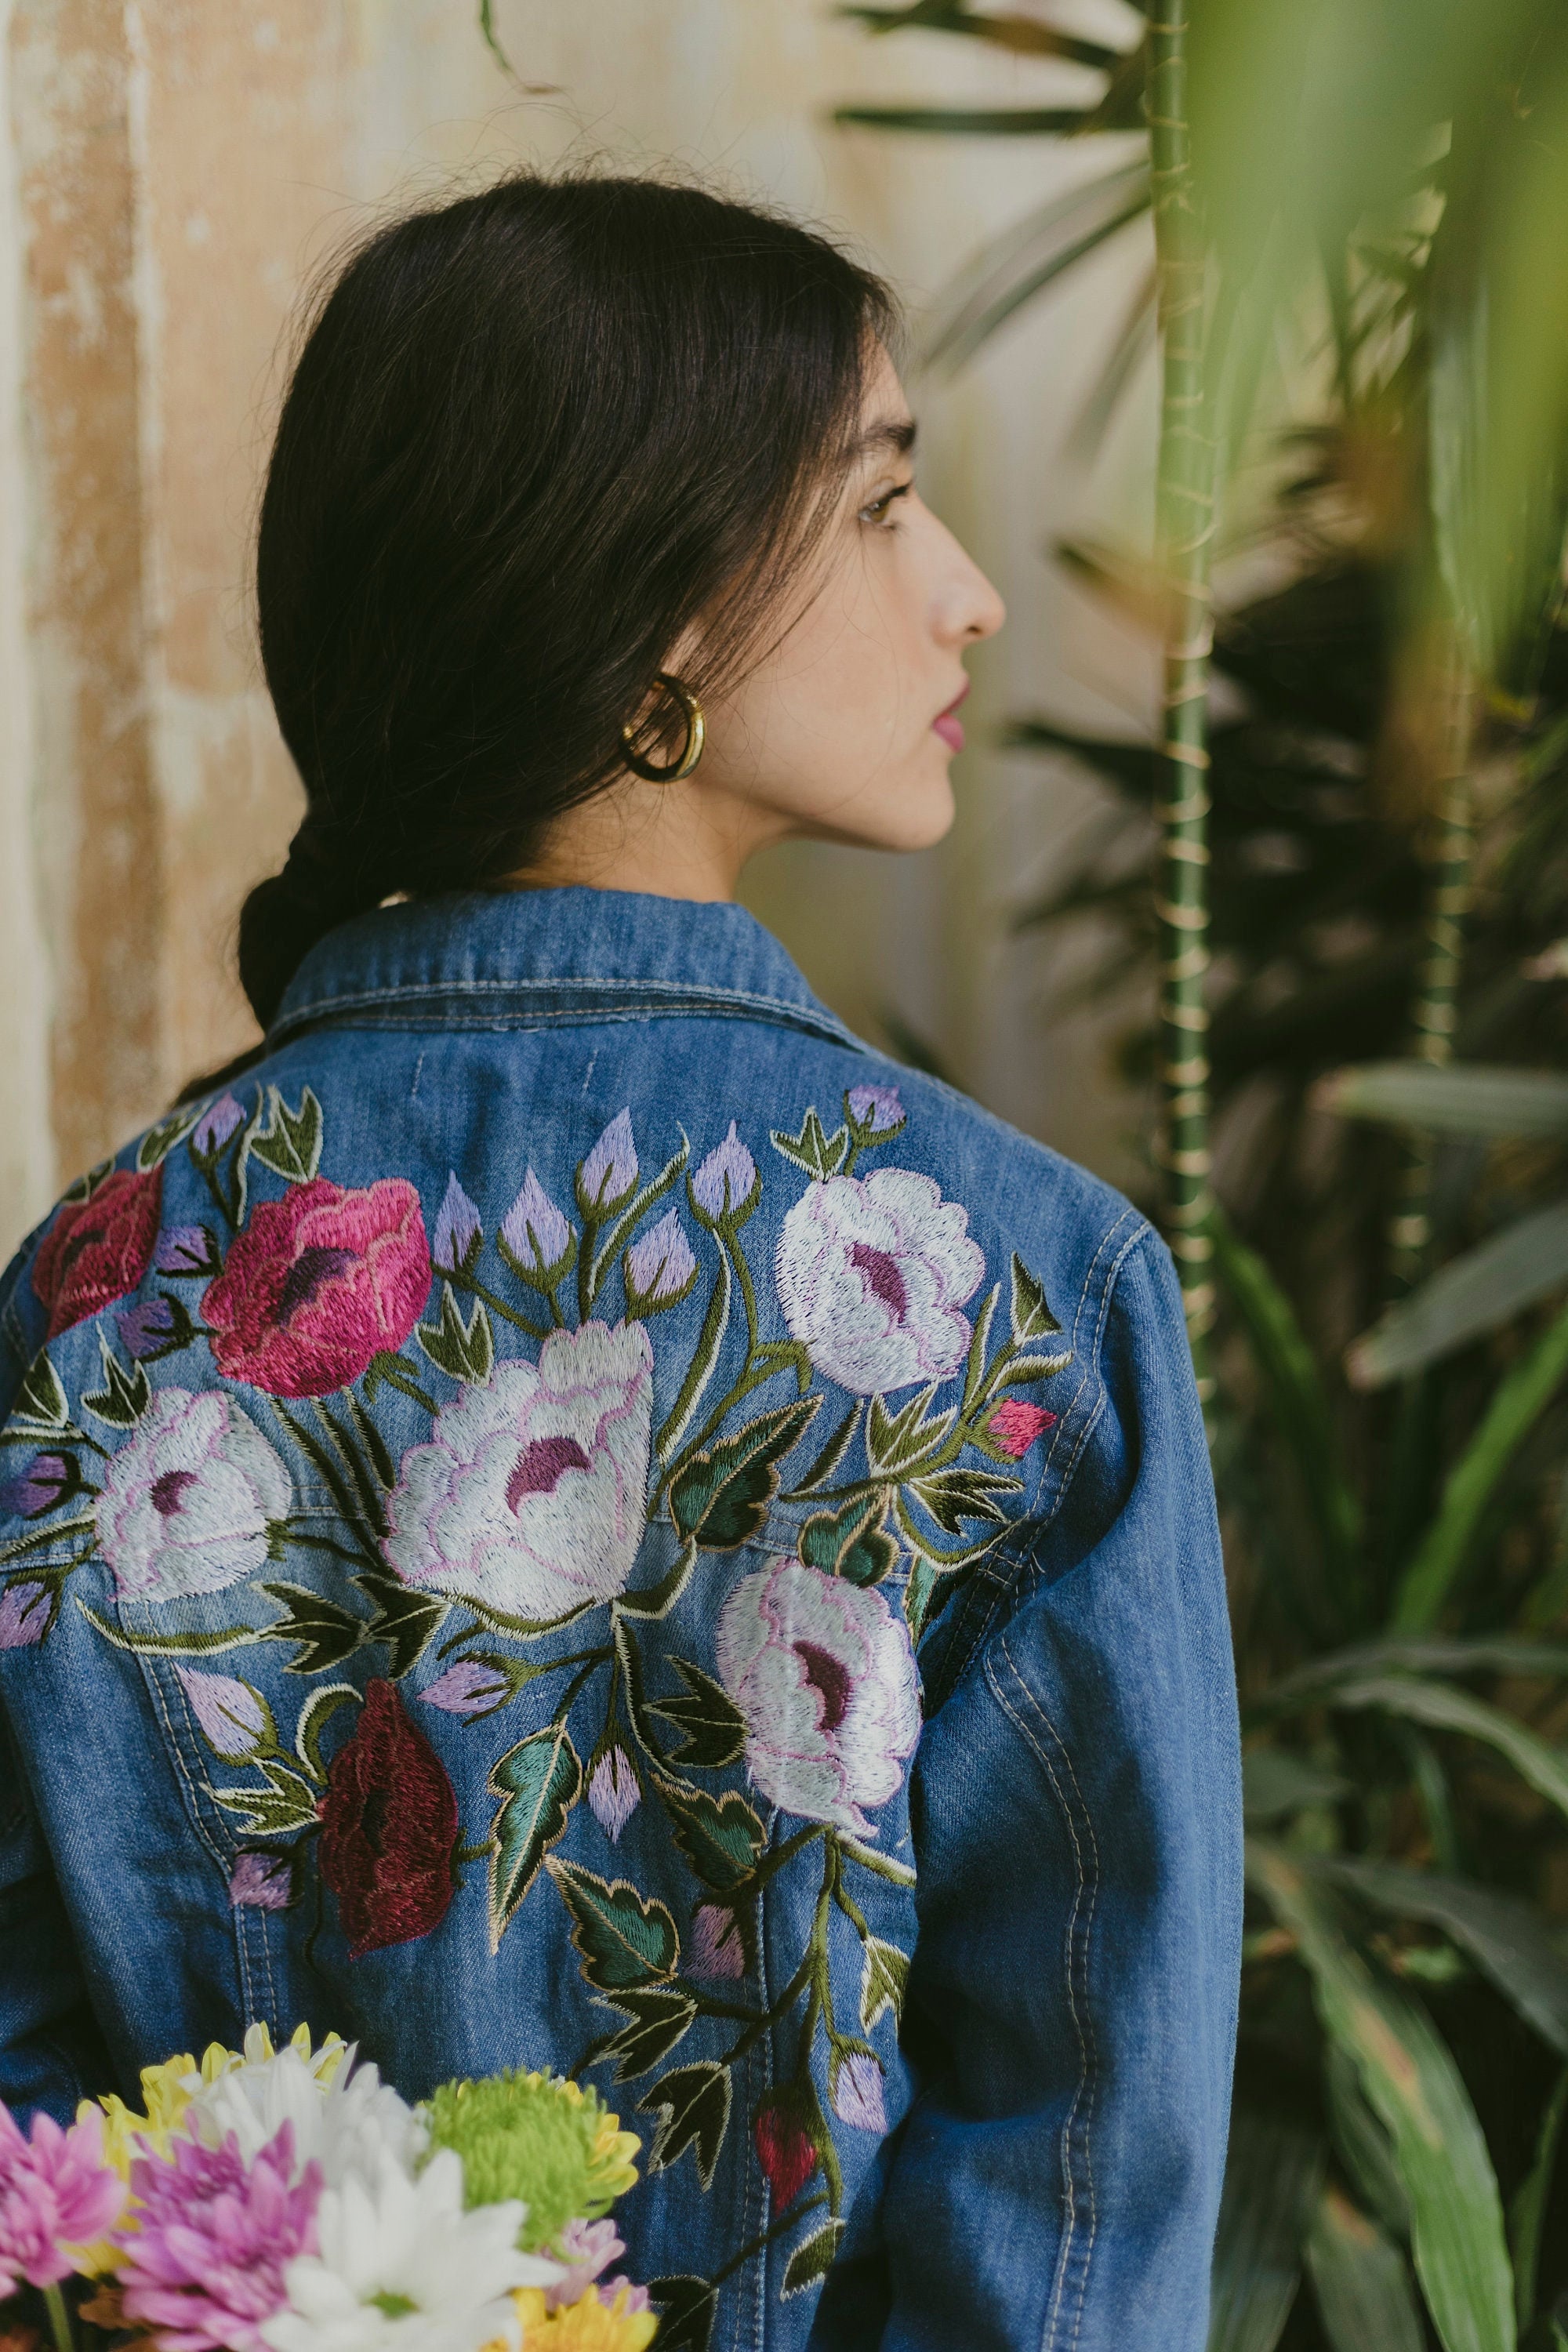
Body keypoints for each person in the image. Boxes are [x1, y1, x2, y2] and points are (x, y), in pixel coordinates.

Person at [0, 169, 1241, 2351]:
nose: (967, 595)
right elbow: (1076, 2177)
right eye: (880, 504)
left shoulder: (90, 1290)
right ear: (655, 607)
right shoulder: (1023, 1300)